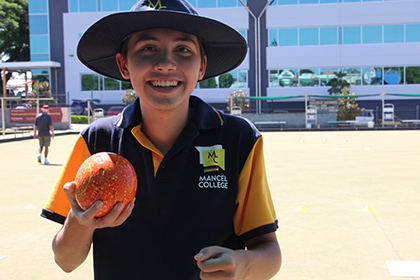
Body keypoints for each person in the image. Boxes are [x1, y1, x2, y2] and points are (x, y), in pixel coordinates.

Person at [41, 0, 281, 279]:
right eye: (148, 49)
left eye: (183, 50)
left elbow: (270, 254)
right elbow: (66, 260)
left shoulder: (239, 138)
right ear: (123, 64)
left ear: (201, 66)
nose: (166, 64)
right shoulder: (97, 140)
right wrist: (81, 222)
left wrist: (242, 264)